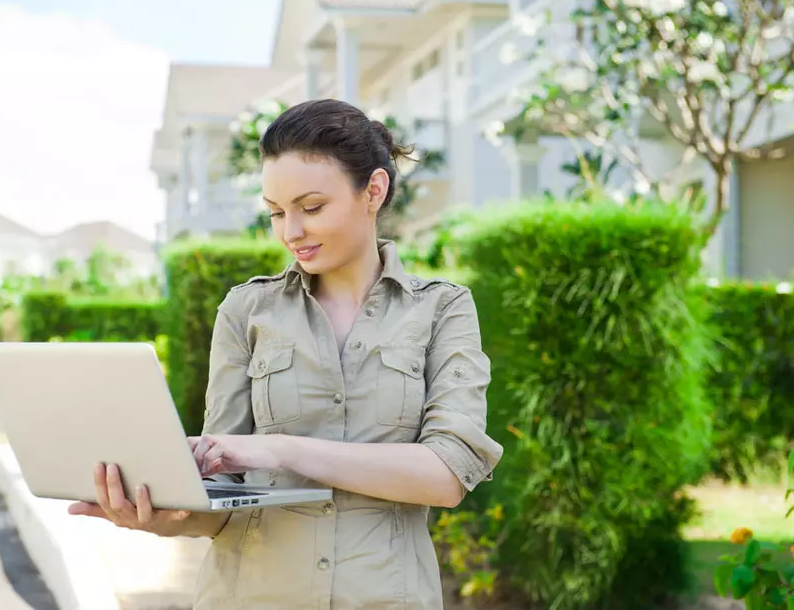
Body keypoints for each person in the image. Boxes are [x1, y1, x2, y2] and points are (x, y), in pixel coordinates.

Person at [68, 98, 504, 609]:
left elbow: (446, 475)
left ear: (374, 190)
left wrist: (281, 449)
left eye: (311, 207)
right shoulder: (246, 309)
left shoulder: (442, 308)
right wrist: (165, 515)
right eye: (276, 212)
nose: (291, 232)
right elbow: (224, 496)